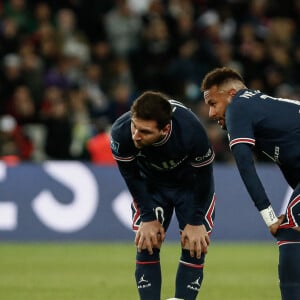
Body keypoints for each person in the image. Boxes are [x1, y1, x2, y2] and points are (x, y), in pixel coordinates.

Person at [201, 66, 300, 300]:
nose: (210, 113)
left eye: (213, 103)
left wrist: (269, 216)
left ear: (231, 94)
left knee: (289, 233)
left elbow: (245, 165)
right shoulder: (265, 108)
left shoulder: (239, 106)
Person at [110, 91, 216, 300]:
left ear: (165, 128)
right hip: (152, 187)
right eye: (134, 126)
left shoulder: (191, 131)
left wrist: (195, 221)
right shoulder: (120, 133)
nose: (135, 136)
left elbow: (204, 176)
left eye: (145, 131)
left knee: (194, 246)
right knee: (147, 243)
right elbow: (131, 177)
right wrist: (148, 218)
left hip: (190, 187)